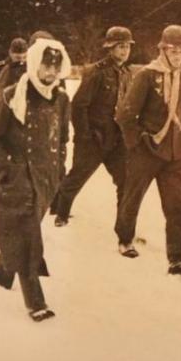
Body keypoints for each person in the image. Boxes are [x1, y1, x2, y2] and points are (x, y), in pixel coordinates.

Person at [0, 37, 71, 322]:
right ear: (34, 64)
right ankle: (35, 300)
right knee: (28, 237)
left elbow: (62, 138)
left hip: (45, 181)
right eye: (46, 65)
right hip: (16, 181)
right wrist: (6, 171)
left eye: (56, 67)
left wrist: (58, 171)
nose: (50, 72)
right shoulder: (12, 96)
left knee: (21, 232)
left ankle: (1, 275)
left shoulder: (61, 98)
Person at [114, 25, 181, 280]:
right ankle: (125, 238)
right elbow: (125, 115)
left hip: (175, 154)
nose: (177, 55)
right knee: (133, 197)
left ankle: (177, 258)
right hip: (146, 150)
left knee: (177, 205)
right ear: (162, 50)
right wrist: (137, 142)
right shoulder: (147, 76)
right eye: (172, 50)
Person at [50, 26, 133, 227]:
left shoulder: (128, 73)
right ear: (110, 48)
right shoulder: (95, 72)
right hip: (93, 138)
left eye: (127, 47)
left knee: (126, 181)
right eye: (120, 47)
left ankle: (123, 226)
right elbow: (79, 106)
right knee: (76, 178)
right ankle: (61, 214)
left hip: (116, 139)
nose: (124, 51)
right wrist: (85, 135)